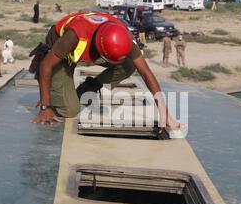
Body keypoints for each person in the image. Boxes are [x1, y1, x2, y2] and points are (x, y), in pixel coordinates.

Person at [29, 12, 180, 130]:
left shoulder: (124, 37)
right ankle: (56, 96)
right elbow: (46, 66)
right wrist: (45, 105)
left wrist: (164, 113)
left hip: (84, 47)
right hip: (60, 53)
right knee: (70, 111)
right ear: (99, 50)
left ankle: (89, 88)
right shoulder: (74, 37)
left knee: (129, 65)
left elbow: (146, 73)